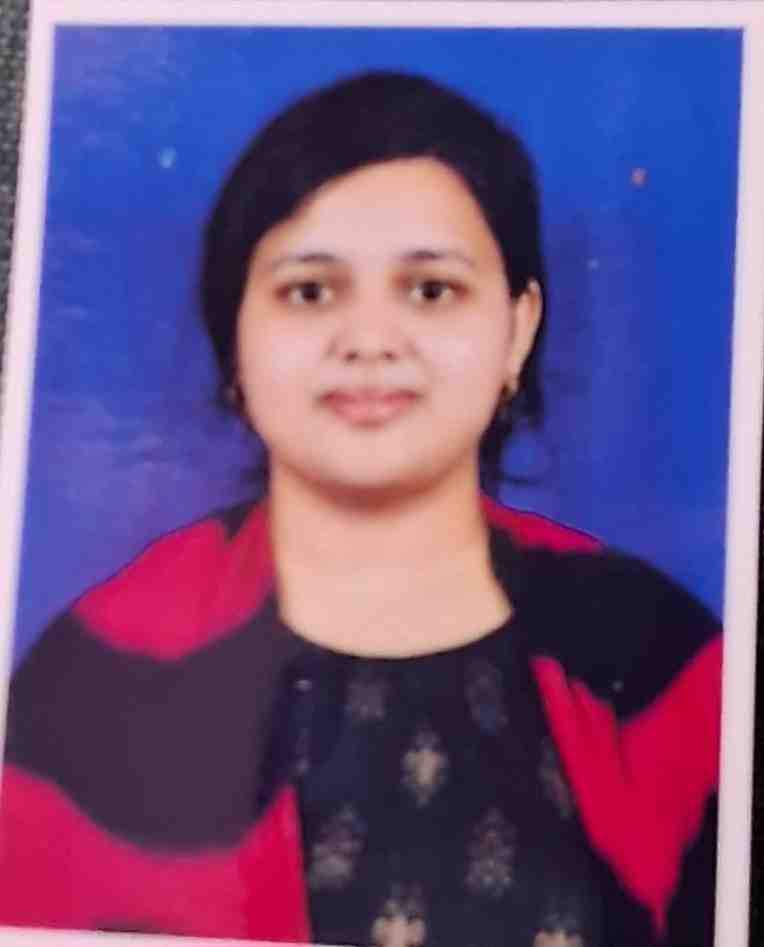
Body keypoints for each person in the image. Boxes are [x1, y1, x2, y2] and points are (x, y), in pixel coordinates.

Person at [0, 71, 721, 947]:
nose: (370, 341)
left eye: (431, 290)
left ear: (518, 328)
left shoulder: (654, 661)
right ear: (234, 333)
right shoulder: (99, 679)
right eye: (309, 291)